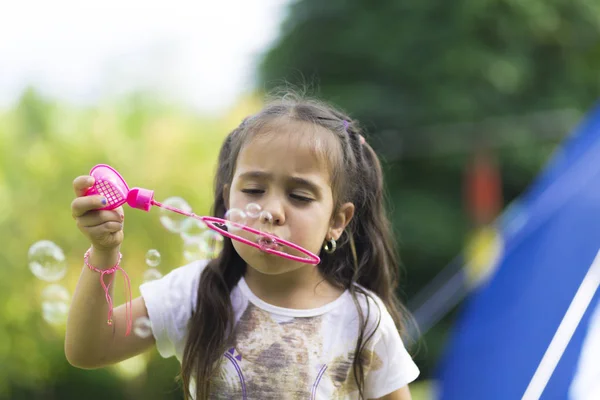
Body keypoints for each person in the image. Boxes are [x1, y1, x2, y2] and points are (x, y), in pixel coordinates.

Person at [65, 92, 420, 399]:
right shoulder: (196, 291)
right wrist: (104, 251)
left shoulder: (362, 318)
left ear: (337, 221)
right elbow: (89, 348)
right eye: (253, 190)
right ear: (228, 198)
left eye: (299, 196)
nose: (270, 212)